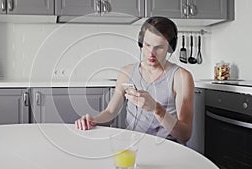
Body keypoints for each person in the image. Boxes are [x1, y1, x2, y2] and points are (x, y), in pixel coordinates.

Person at [75, 16, 194, 144]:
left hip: (168, 146)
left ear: (170, 48)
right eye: (147, 45)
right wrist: (93, 120)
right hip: (133, 145)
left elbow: (184, 135)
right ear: (140, 43)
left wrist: (156, 109)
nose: (151, 53)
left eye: (159, 47)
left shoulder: (181, 77)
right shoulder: (126, 72)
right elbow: (110, 112)